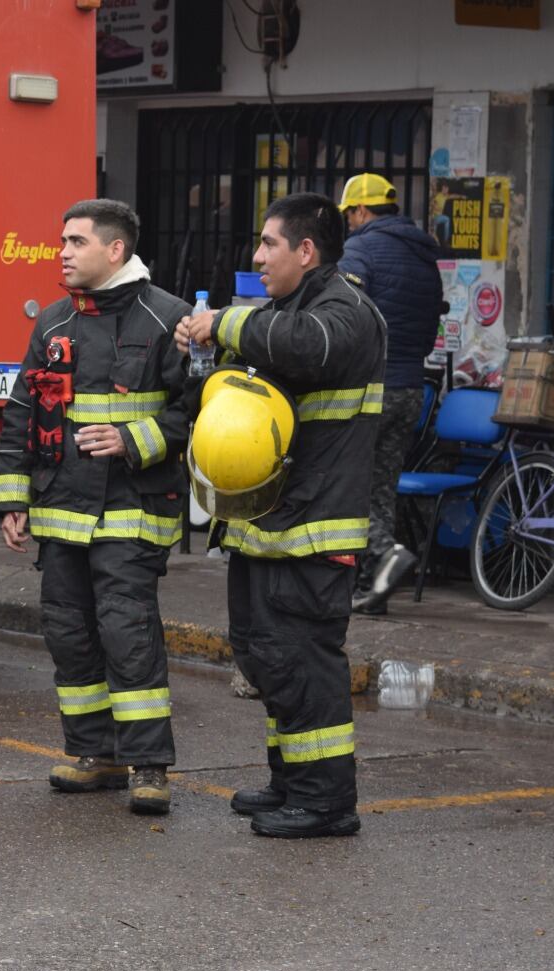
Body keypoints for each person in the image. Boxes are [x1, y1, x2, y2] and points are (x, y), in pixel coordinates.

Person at [175, 191, 386, 839]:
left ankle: (327, 802)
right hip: (266, 523)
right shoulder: (283, 310)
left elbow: (306, 347)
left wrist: (225, 323)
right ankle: (291, 780)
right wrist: (201, 351)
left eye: (269, 244)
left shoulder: (344, 310)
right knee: (266, 656)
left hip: (315, 529)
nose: (257, 256)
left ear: (306, 250)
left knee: (305, 659)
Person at [0, 199, 191, 816]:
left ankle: (149, 766)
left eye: (76, 241)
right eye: (62, 241)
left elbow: (198, 411)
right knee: (70, 635)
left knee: (127, 635)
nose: (63, 252)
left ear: (116, 250)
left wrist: (133, 440)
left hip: (132, 511)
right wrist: (11, 498)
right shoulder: (52, 323)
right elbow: (23, 414)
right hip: (59, 513)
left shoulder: (169, 320)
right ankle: (94, 755)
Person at [336, 173, 444, 615]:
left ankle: (384, 552)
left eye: (348, 215)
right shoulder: (424, 256)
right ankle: (372, 591)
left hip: (369, 387)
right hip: (410, 389)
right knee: (381, 488)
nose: (346, 224)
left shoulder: (359, 250)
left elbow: (345, 316)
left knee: (344, 486)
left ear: (361, 211)